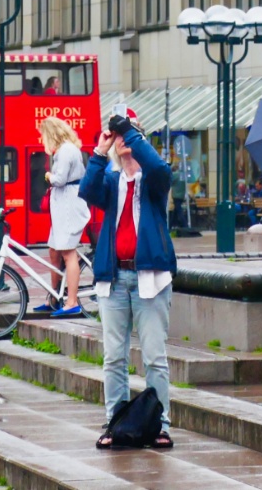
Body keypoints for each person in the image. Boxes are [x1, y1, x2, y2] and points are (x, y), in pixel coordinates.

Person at [82, 112, 175, 450]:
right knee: (114, 358)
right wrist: (100, 151)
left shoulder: (152, 183)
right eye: (119, 135)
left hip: (149, 278)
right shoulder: (111, 182)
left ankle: (160, 424)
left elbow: (161, 169)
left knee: (154, 357)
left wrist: (131, 134)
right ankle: (115, 423)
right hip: (114, 278)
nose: (121, 140)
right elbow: (87, 189)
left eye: (128, 136)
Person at [37, 117, 89, 316]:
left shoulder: (66, 151)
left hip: (69, 206)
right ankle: (54, 297)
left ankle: (72, 301)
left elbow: (59, 180)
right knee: (54, 250)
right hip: (63, 207)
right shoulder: (66, 150)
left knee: (68, 253)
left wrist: (48, 175)